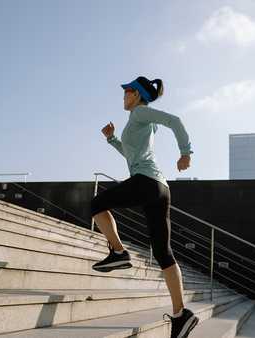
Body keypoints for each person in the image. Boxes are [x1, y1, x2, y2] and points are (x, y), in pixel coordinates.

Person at [90, 76, 199, 338]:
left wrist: (186, 152)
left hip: (147, 181)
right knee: (163, 253)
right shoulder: (138, 121)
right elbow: (130, 154)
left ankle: (118, 252)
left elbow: (176, 121)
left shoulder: (140, 113)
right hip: (160, 189)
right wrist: (112, 139)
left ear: (137, 95)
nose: (123, 96)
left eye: (127, 91)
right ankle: (180, 314)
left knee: (96, 204)